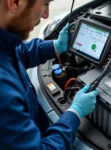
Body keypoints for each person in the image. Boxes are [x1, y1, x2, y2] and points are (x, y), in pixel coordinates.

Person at [0, 0, 99, 149]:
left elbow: (18, 52)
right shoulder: (3, 93)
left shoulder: (4, 42)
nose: (46, 15)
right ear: (15, 2)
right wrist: (74, 113)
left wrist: (55, 46)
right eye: (45, 4)